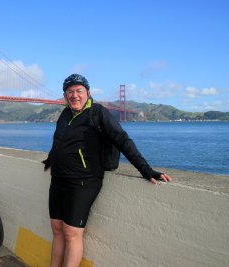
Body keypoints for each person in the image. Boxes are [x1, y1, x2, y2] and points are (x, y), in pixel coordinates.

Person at [42, 74, 172, 267]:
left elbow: (123, 140)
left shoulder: (98, 113)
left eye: (79, 91)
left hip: (84, 181)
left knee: (71, 233)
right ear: (64, 95)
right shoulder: (65, 114)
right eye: (69, 91)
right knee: (56, 229)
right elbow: (60, 141)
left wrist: (146, 170)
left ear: (88, 93)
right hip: (58, 179)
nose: (74, 95)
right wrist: (52, 159)